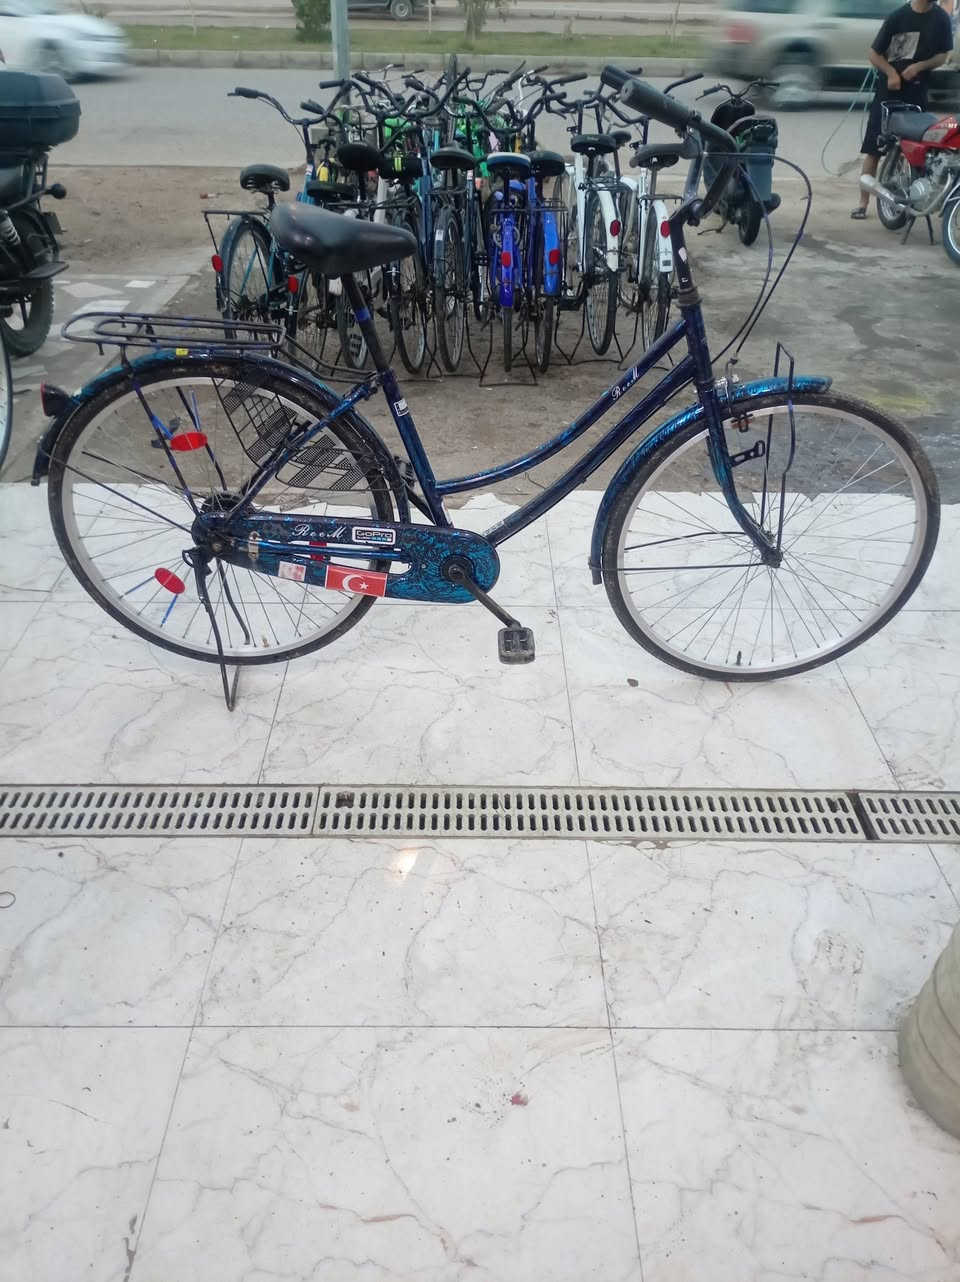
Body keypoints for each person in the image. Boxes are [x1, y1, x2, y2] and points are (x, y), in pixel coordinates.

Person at [852, 0, 954, 218]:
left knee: (915, 149)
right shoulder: (897, 16)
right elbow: (874, 53)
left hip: (917, 91)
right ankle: (863, 203)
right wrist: (891, 73)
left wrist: (919, 66)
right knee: (874, 148)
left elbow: (943, 55)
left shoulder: (941, 19)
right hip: (889, 92)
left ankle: (910, 198)